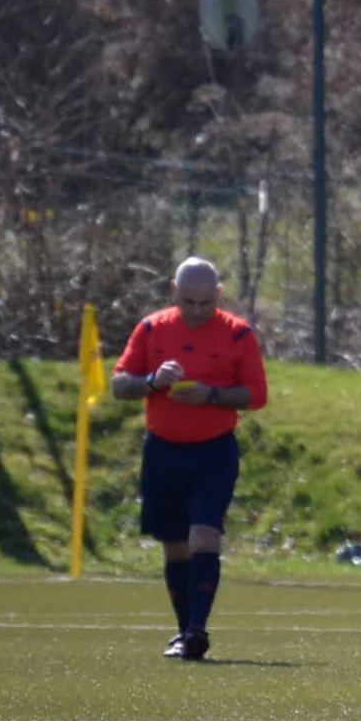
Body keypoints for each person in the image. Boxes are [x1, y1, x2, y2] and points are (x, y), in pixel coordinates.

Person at [109, 257, 269, 661]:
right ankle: (185, 632)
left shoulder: (238, 334)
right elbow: (120, 384)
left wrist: (211, 395)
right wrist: (152, 381)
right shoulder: (151, 328)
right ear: (173, 292)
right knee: (176, 546)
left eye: (205, 303)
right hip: (162, 451)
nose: (196, 310)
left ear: (219, 295)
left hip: (214, 451)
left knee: (204, 536)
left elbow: (256, 394)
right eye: (187, 302)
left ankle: (197, 629)